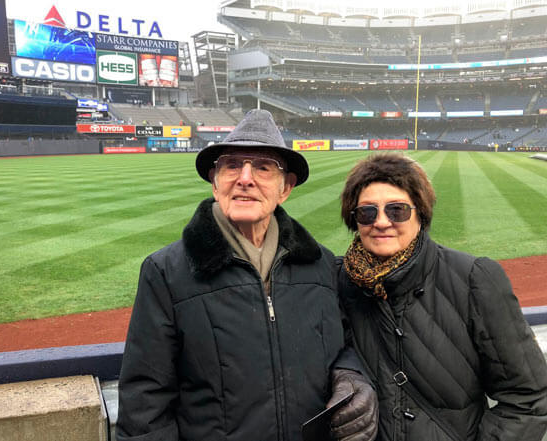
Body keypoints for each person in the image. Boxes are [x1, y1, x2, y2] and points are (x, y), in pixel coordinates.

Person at [116, 109, 378, 441]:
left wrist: (352, 376)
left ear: (285, 188)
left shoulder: (321, 265)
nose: (245, 178)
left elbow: (345, 345)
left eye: (264, 167)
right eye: (232, 165)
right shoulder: (166, 272)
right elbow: (145, 402)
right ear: (215, 182)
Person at [337, 152, 547, 441]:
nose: (381, 222)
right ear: (355, 220)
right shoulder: (338, 281)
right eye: (367, 212)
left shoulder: (474, 278)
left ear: (420, 213)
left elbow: (529, 397)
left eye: (397, 210)